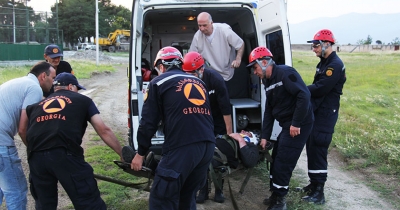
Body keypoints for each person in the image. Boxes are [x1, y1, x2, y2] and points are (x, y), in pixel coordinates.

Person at [130, 46, 215, 209]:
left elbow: (148, 123)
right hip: (207, 146)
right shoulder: (200, 82)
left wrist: (140, 154)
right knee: (186, 196)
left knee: (161, 197)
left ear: (161, 66)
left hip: (182, 146)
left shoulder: (158, 82)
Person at [25, 72, 123, 209]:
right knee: (88, 202)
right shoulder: (83, 100)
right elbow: (103, 129)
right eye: (77, 88)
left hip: (36, 158)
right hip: (65, 154)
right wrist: (122, 154)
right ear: (71, 87)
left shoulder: (36, 105)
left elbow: (25, 130)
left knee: (44, 205)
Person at [247, 46, 314, 210]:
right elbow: (269, 109)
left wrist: (296, 123)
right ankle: (275, 194)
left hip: (299, 125)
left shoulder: (285, 73)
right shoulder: (267, 81)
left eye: (255, 68)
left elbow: (304, 95)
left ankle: (280, 201)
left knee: (284, 160)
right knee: (277, 157)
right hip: (287, 124)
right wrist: (265, 136)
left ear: (264, 62)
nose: (255, 72)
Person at [0, 61, 56, 210]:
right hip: (1, 143)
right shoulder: (34, 88)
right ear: (43, 76)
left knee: (2, 186)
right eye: (53, 78)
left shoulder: (20, 82)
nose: (54, 82)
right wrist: (34, 151)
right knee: (16, 191)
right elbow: (23, 129)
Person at [300, 29, 346, 204]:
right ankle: (313, 184)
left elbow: (320, 88)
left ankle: (319, 192)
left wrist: (301, 90)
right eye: (313, 46)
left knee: (318, 147)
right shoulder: (323, 63)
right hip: (318, 111)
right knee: (311, 146)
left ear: (327, 44)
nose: (314, 49)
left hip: (326, 114)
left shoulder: (334, 65)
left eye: (316, 45)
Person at [196, 130, 260, 203]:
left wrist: (240, 139)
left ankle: (209, 192)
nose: (242, 131)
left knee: (205, 161)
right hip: (212, 148)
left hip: (220, 156)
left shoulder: (251, 145)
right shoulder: (227, 137)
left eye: (247, 132)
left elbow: (250, 162)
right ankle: (205, 192)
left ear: (252, 139)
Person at [182, 51, 233, 136]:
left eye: (193, 75)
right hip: (197, 120)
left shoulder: (215, 80)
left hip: (216, 119)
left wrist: (229, 136)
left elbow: (225, 109)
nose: (190, 79)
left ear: (201, 70)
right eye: (187, 75)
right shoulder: (184, 82)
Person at [189, 12, 245, 83]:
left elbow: (240, 44)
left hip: (228, 73)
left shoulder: (224, 30)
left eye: (204, 25)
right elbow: (192, 55)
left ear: (211, 23)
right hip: (211, 75)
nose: (202, 29)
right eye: (199, 26)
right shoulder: (197, 36)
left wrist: (238, 59)